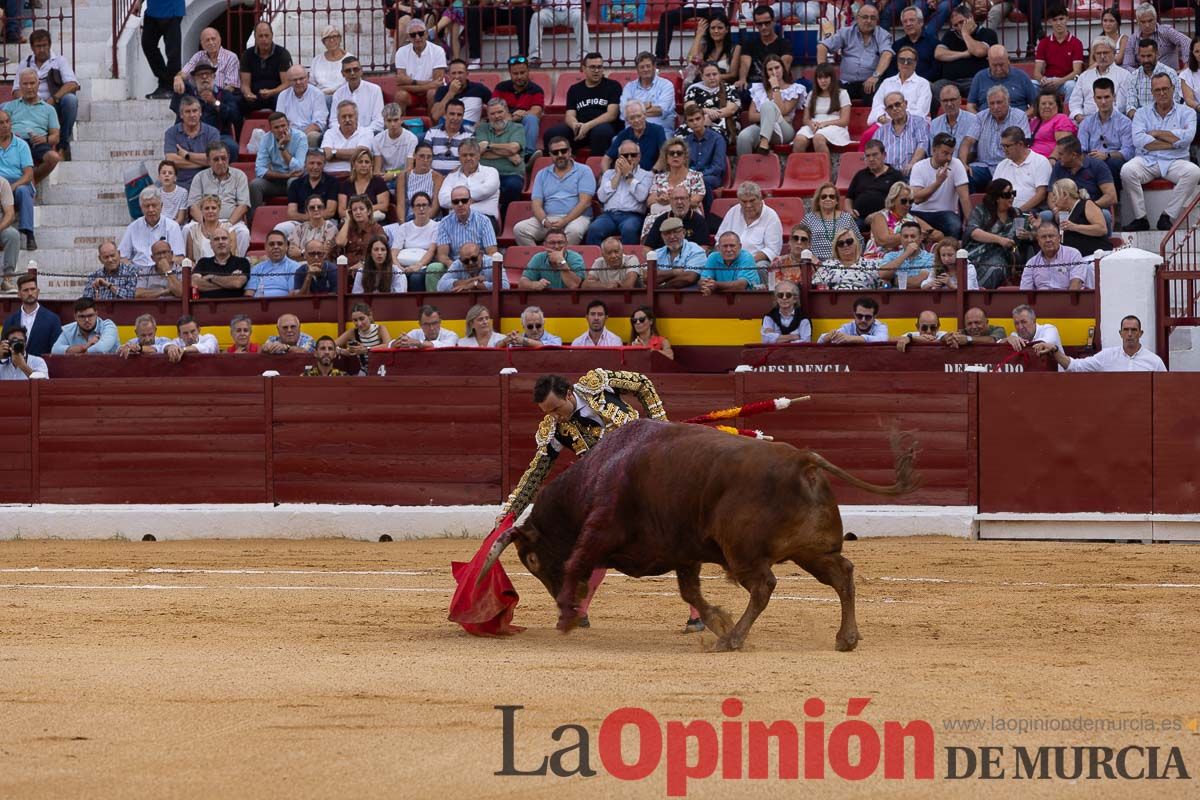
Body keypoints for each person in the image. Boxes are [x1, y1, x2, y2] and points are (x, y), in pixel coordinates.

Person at [499, 369, 702, 631]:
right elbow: (535, 473)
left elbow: (643, 384)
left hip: (653, 471)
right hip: (616, 489)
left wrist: (660, 427)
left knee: (678, 535)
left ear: (569, 394)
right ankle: (580, 611)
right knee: (597, 543)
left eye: (556, 408)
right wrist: (509, 513)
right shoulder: (557, 430)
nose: (555, 416)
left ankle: (697, 613)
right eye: (547, 413)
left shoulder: (598, 384)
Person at [1123, 72, 1200, 231]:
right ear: (1152, 92)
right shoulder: (1141, 113)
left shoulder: (1188, 112)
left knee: (1194, 172)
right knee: (1127, 170)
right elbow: (1139, 141)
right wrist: (1174, 142)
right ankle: (1140, 218)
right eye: (1157, 90)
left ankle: (1167, 215)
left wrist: (1156, 133)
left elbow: (1187, 138)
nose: (1162, 93)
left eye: (1165, 89)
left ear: (1173, 89)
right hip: (1148, 160)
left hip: (1175, 161)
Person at [515, 137, 595, 245]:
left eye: (564, 151)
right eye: (555, 152)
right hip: (549, 218)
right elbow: (536, 203)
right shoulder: (542, 174)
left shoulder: (584, 170)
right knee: (520, 229)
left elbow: (585, 203)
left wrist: (565, 220)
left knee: (574, 231)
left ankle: (562, 260)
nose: (560, 155)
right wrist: (544, 221)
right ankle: (541, 259)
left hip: (577, 218)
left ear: (570, 151)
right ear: (550, 155)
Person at [543, 53, 622, 155]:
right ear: (584, 69)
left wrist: (588, 126)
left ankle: (598, 168)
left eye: (599, 67)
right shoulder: (575, 89)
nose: (596, 71)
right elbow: (569, 115)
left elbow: (612, 114)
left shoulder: (613, 86)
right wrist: (575, 125)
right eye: (592, 67)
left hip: (602, 126)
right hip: (580, 129)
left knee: (601, 133)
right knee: (552, 134)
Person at [21, 30, 79, 162]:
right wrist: (29, 101)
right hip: (30, 105)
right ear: (32, 48)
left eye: (45, 45)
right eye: (38, 46)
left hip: (53, 105)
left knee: (71, 100)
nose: (42, 49)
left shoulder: (59, 61)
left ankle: (62, 146)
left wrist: (52, 99)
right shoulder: (25, 63)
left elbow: (72, 84)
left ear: (50, 45)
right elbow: (16, 90)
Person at [185, 142, 251, 256]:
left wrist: (228, 225)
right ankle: (192, 266)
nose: (221, 162)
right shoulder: (200, 177)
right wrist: (204, 224)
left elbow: (243, 205)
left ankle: (235, 265)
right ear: (208, 161)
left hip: (230, 221)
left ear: (229, 158)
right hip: (204, 220)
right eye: (216, 159)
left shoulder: (239, 176)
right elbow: (193, 206)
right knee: (187, 229)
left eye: (224, 158)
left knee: (243, 233)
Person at [816, 4, 892, 102]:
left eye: (873, 18)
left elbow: (887, 54)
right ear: (857, 18)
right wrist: (823, 71)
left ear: (877, 20)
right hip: (846, 83)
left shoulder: (883, 35)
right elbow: (822, 46)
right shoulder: (845, 32)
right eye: (865, 17)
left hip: (869, 82)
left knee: (874, 91)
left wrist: (875, 76)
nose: (868, 21)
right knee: (830, 90)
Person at [587, 140, 652, 245]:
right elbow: (602, 197)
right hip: (609, 215)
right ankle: (598, 260)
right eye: (625, 156)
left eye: (633, 155)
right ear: (619, 157)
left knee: (629, 229)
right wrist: (617, 175)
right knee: (594, 229)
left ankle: (629, 260)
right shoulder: (609, 174)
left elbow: (641, 196)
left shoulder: (646, 175)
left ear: (639, 157)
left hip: (633, 215)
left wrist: (628, 175)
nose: (629, 158)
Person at [738, 54, 805, 156]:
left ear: (783, 68)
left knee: (768, 105)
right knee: (743, 137)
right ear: (766, 72)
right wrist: (769, 115)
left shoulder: (794, 89)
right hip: (761, 127)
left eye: (777, 67)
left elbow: (783, 111)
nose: (774, 72)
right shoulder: (759, 89)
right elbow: (751, 116)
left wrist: (775, 88)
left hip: (784, 130)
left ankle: (764, 143)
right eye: (770, 69)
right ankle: (745, 170)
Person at [4, 68, 61, 185]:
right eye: (25, 84)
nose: (29, 87)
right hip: (15, 143)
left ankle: (29, 181)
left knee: (54, 157)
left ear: (38, 84)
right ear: (20, 86)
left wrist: (44, 139)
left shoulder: (49, 109)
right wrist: (10, 135)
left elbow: (56, 137)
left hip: (38, 143)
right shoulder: (9, 107)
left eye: (32, 83)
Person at [1047, 314, 1166, 371]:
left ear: (1140, 333)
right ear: (1120, 333)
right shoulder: (1107, 356)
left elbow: (1165, 390)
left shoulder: (1154, 361)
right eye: (1126, 330)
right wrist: (1055, 351)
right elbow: (1076, 366)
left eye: (1134, 330)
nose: (1129, 334)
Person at [969, 85, 1032, 191]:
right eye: (992, 103)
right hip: (984, 166)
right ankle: (972, 207)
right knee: (964, 175)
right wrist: (962, 164)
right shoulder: (981, 117)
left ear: (1008, 101)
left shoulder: (1019, 116)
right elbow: (967, 141)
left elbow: (1023, 145)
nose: (995, 107)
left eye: (999, 102)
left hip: (1009, 165)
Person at [1078, 78, 1134, 196]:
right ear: (1094, 99)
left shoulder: (1125, 122)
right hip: (1091, 161)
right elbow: (1081, 149)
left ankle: (1112, 202)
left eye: (1107, 97)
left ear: (1114, 97)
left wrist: (1106, 155)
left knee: (1113, 164)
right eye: (1099, 98)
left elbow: (1128, 152)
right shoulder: (1086, 123)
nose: (1103, 102)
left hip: (1112, 163)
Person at [910, 132, 972, 238]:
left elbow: (964, 198)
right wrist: (938, 182)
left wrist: (972, 224)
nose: (949, 158)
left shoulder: (957, 164)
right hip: (919, 212)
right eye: (945, 153)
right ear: (934, 150)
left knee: (955, 225)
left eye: (951, 154)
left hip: (945, 213)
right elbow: (917, 199)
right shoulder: (919, 167)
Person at [933, 4, 998, 104]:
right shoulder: (950, 35)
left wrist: (965, 33)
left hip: (974, 80)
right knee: (936, 87)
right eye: (955, 25)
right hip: (951, 82)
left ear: (970, 18)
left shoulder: (987, 33)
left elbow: (979, 51)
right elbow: (938, 53)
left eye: (961, 22)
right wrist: (963, 54)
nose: (959, 27)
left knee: (984, 88)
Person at [964, 177, 1023, 288]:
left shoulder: (1017, 213)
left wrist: (1032, 231)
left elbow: (1027, 234)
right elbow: (973, 231)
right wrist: (999, 240)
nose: (1011, 197)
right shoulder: (981, 211)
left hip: (1005, 256)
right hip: (979, 254)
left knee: (997, 268)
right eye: (1007, 195)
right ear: (996, 197)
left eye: (1013, 193)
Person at [642, 137, 704, 238]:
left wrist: (670, 201)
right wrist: (660, 198)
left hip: (685, 215)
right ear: (666, 158)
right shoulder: (659, 177)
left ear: (685, 157)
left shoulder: (696, 176)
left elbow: (695, 201)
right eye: (671, 153)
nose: (675, 156)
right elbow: (649, 201)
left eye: (679, 153)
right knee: (651, 220)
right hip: (660, 215)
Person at [716, 181, 781, 276]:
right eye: (744, 201)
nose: (748, 205)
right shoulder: (733, 212)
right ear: (739, 200)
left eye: (752, 201)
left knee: (761, 267)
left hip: (755, 262)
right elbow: (719, 240)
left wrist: (745, 262)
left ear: (760, 198)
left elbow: (772, 250)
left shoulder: (771, 217)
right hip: (728, 258)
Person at [864, 180, 937, 259]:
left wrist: (928, 235)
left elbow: (938, 235)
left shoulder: (913, 219)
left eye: (911, 201)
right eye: (904, 201)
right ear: (893, 200)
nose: (908, 205)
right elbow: (884, 241)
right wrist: (914, 235)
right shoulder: (880, 216)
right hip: (879, 259)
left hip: (906, 261)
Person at [1050, 135, 1117, 219]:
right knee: (1046, 215)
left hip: (1092, 211)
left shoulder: (1098, 166)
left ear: (1073, 155)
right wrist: (1055, 210)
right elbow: (1050, 194)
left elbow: (1111, 197)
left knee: (1105, 214)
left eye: (1061, 154)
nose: (1058, 157)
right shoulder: (1058, 166)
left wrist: (1085, 208)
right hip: (1065, 211)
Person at [250, 112, 308, 210]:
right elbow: (259, 170)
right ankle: (254, 221)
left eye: (283, 126)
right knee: (255, 185)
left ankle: (295, 216)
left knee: (292, 182)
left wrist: (282, 148)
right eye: (276, 127)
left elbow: (298, 168)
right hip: (276, 180)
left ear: (288, 125)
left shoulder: (300, 137)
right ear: (271, 130)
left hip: (295, 179)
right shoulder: (266, 139)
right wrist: (285, 175)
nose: (281, 130)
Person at [388, 190, 443, 291]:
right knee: (394, 275)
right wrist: (398, 267)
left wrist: (418, 265)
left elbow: (432, 250)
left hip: (423, 264)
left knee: (415, 278)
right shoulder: (404, 227)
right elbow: (394, 251)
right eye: (418, 205)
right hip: (402, 264)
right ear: (413, 208)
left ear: (430, 207)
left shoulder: (437, 226)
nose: (421, 209)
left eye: (424, 205)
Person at [119, 186, 185, 270]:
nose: (151, 209)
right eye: (147, 206)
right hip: (138, 273)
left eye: (154, 205)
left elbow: (179, 258)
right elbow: (122, 257)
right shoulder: (132, 227)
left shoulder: (172, 226)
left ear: (161, 206)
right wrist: (133, 270)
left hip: (162, 272)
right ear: (141, 208)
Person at [1069, 37, 1131, 124]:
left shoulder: (1124, 75)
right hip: (1085, 121)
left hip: (1113, 121)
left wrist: (1100, 119)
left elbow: (1121, 105)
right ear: (1094, 56)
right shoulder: (1084, 76)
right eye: (1098, 53)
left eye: (1105, 53)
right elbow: (1074, 101)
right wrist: (1078, 116)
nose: (1102, 56)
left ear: (1114, 53)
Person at [437, 138, 500, 223]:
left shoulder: (491, 172)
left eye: (471, 155)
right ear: (459, 157)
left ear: (478, 156)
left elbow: (485, 191)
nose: (468, 158)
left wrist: (457, 200)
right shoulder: (451, 177)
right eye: (464, 155)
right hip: (456, 220)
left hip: (485, 219)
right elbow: (443, 200)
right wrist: (474, 199)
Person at [993, 126, 1052, 215]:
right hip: (1004, 213)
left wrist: (1018, 211)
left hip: (1031, 212)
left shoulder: (1040, 162)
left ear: (1020, 144)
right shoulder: (1002, 165)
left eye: (1007, 146)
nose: (1004, 150)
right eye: (1002, 146)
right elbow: (994, 192)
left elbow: (1041, 194)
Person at [492, 56, 544, 157]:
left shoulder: (536, 90)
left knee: (531, 119)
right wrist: (512, 117)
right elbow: (493, 109)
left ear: (528, 71)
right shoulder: (500, 88)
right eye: (515, 74)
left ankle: (527, 155)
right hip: (504, 123)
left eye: (522, 73)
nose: (519, 77)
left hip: (523, 124)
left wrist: (516, 116)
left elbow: (536, 111)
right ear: (510, 73)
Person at [795, 64, 852, 154]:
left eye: (826, 77)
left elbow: (844, 121)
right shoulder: (812, 94)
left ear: (832, 78)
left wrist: (825, 124)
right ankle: (800, 167)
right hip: (815, 125)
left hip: (835, 126)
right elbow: (805, 119)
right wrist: (811, 124)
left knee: (818, 138)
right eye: (820, 78)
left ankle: (825, 167)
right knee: (799, 140)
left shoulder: (842, 93)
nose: (823, 81)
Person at [394, 18, 448, 113]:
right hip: (412, 94)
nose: (417, 37)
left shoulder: (438, 51)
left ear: (426, 34)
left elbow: (437, 83)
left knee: (432, 93)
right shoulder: (401, 52)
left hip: (431, 92)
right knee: (400, 96)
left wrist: (411, 82)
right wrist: (428, 84)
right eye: (413, 35)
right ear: (409, 37)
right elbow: (400, 85)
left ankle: (434, 127)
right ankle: (401, 127)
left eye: (421, 33)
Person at [436, 185, 500, 265]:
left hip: (479, 264)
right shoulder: (444, 223)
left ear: (470, 201)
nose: (460, 204)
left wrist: (477, 265)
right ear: (452, 204)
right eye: (456, 202)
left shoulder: (484, 221)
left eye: (464, 200)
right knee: (435, 267)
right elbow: (442, 255)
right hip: (455, 266)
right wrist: (454, 267)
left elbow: (492, 252)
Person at [870, 92, 930, 177]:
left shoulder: (919, 123)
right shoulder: (880, 132)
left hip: (914, 175)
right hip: (887, 177)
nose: (894, 109)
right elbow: (873, 154)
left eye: (897, 104)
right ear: (886, 111)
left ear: (905, 104)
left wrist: (912, 164)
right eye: (890, 107)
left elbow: (923, 144)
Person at [1020, 220, 1092, 290]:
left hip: (1068, 300)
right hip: (1042, 301)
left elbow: (1076, 284)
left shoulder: (1073, 254)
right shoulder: (1031, 263)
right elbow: (1025, 292)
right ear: (1038, 240)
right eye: (1043, 237)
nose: (1048, 240)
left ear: (1059, 238)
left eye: (1051, 236)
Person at [870, 46, 933, 126]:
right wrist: (882, 118)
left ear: (915, 63)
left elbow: (920, 111)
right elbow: (877, 104)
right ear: (897, 62)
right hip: (885, 123)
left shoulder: (923, 84)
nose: (905, 63)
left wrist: (898, 121)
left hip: (912, 125)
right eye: (902, 60)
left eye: (909, 61)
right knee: (868, 136)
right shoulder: (887, 82)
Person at [135, 0, 184, 99]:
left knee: (173, 51)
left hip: (172, 9)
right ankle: (164, 81)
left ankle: (171, 87)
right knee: (148, 44)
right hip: (152, 10)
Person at [240, 21, 293, 114]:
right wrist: (248, 93)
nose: (264, 39)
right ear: (255, 37)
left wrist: (272, 92)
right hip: (255, 95)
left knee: (282, 99)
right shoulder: (247, 55)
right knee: (238, 103)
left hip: (276, 94)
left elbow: (287, 83)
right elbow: (245, 84)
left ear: (272, 35)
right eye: (260, 36)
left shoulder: (282, 54)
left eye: (266, 35)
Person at [679, 103, 725, 209]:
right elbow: (684, 165)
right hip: (690, 177)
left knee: (702, 182)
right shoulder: (686, 141)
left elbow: (718, 167)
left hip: (712, 177)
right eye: (691, 120)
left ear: (704, 119)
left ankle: (709, 219)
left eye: (697, 119)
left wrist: (697, 176)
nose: (695, 123)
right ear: (687, 123)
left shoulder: (717, 139)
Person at [1047, 180, 1110, 257]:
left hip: (1094, 256)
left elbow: (1102, 229)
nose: (1053, 200)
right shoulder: (1060, 213)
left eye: (1054, 195)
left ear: (1065, 194)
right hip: (1072, 260)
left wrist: (1074, 227)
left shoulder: (1086, 204)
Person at [1122, 38, 1182, 120]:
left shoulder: (1170, 73)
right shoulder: (1133, 76)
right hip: (1141, 121)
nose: (1146, 60)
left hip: (1167, 118)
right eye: (1142, 56)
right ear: (1138, 56)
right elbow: (1130, 106)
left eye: (1149, 56)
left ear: (1157, 54)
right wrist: (1140, 120)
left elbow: (1176, 102)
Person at [1033, 5, 1083, 100]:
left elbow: (1077, 71)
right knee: (1031, 84)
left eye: (1061, 19)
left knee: (1071, 86)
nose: (1058, 23)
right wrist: (1042, 79)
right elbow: (1036, 72)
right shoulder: (1044, 43)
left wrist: (1060, 81)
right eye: (1055, 20)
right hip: (1048, 81)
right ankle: (1036, 113)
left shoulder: (1076, 43)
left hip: (1065, 82)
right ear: (1050, 22)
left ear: (1067, 19)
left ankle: (1068, 113)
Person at [967, 44, 1038, 112]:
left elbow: (1035, 105)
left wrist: (1022, 117)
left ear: (1008, 60)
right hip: (986, 122)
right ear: (988, 61)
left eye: (1001, 65)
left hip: (1016, 122)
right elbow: (970, 106)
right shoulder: (979, 77)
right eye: (994, 65)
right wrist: (979, 120)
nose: (998, 69)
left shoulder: (1022, 76)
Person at [3, 273, 60, 356]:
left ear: (38, 291)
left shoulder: (53, 320)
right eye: (26, 290)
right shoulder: (9, 321)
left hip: (43, 367)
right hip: (14, 367)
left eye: (33, 289)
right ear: (19, 294)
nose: (30, 293)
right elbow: (4, 349)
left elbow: (55, 351)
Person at [657, 1, 729, 67]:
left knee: (719, 21)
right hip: (690, 7)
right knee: (666, 17)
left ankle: (720, 57)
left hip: (714, 7)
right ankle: (661, 58)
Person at [739, 6, 794, 91]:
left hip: (776, 85)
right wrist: (742, 79)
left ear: (773, 22)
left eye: (767, 23)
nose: (763, 27)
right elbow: (744, 65)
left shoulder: (784, 44)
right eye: (759, 24)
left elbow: (784, 67)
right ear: (755, 24)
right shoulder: (749, 44)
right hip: (754, 86)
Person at [1121, 4, 1191, 71]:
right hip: (1144, 79)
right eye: (1143, 22)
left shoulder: (1166, 31)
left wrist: (1186, 67)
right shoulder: (1133, 39)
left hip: (1169, 77)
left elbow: (1186, 41)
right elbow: (1127, 66)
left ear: (1155, 18)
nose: (1147, 25)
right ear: (1137, 22)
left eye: (1150, 21)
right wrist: (1140, 75)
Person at [177, 27, 242, 99]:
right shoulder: (198, 56)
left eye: (213, 39)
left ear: (219, 40)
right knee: (179, 89)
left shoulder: (231, 57)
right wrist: (178, 78)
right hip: (200, 97)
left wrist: (215, 97)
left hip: (222, 97)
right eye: (207, 40)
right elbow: (184, 72)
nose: (211, 43)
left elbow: (231, 86)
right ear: (202, 43)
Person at [684, 62, 740, 145]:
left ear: (719, 75)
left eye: (714, 74)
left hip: (722, 124)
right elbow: (689, 108)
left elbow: (730, 110)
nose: (712, 77)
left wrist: (711, 117)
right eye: (708, 75)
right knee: (680, 138)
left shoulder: (730, 89)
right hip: (696, 123)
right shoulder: (694, 89)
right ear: (702, 76)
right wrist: (705, 113)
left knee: (711, 138)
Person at [328, 57, 384, 138]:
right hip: (344, 136)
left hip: (369, 135)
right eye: (348, 71)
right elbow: (333, 121)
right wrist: (344, 132)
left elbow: (379, 121)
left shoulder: (374, 90)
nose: (352, 73)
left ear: (361, 71)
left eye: (355, 69)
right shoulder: (338, 94)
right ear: (343, 74)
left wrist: (361, 133)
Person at [276, 65, 329, 151]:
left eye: (301, 78)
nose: (298, 82)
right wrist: (288, 134)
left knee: (313, 136)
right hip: (288, 133)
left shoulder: (317, 94)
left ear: (307, 77)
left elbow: (318, 124)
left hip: (308, 133)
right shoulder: (283, 95)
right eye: (294, 80)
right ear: (289, 81)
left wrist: (298, 137)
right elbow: (279, 120)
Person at [812, 227, 882, 290]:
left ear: (856, 243)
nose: (845, 245)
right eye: (840, 243)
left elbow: (881, 284)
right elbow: (816, 285)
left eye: (849, 241)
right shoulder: (826, 265)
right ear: (836, 248)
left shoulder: (870, 264)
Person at [603, 100, 665, 172]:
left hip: (651, 175)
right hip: (627, 176)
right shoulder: (623, 134)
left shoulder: (657, 130)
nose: (636, 120)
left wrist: (652, 173)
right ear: (627, 120)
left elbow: (663, 155)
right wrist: (606, 176)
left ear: (645, 115)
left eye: (639, 116)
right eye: (632, 118)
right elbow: (606, 158)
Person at [680, 13, 741, 85]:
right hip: (703, 86)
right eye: (713, 28)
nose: (716, 31)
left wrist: (710, 78)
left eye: (720, 28)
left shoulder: (735, 48)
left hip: (724, 87)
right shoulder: (704, 47)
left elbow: (733, 75)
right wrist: (699, 35)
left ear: (727, 30)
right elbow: (690, 61)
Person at [643, 184, 711, 248]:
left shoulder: (699, 221)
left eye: (682, 198)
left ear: (689, 201)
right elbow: (648, 247)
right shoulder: (661, 220)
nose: (679, 202)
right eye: (675, 199)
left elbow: (704, 248)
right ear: (670, 201)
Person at [807, 182, 862, 260]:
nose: (828, 199)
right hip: (816, 263)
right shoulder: (809, 218)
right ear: (818, 200)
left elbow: (859, 240)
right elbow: (802, 241)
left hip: (842, 262)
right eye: (824, 196)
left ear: (836, 201)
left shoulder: (846, 218)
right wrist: (811, 258)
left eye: (832, 196)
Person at [431, 58, 493, 127]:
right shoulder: (442, 90)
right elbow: (435, 116)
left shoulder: (479, 89)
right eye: (453, 73)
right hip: (445, 128)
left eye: (460, 73)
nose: (457, 76)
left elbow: (496, 105)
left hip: (469, 129)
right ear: (448, 75)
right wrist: (451, 92)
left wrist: (484, 121)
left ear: (467, 74)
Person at [320, 101, 375, 177]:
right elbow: (326, 155)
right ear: (338, 119)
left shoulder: (366, 132)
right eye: (344, 116)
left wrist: (334, 153)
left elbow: (360, 154)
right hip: (329, 176)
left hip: (354, 176)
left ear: (356, 117)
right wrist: (352, 155)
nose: (347, 119)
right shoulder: (330, 133)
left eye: (350, 116)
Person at [528, 0, 589, 67]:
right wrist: (536, 4)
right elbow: (536, 4)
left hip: (572, 9)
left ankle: (583, 57)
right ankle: (535, 57)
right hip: (550, 10)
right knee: (536, 17)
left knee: (580, 17)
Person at [193, 226, 250, 298]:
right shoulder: (203, 262)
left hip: (234, 306)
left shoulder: (242, 262)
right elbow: (195, 283)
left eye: (224, 238)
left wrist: (211, 277)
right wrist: (229, 283)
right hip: (206, 306)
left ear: (230, 243)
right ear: (211, 245)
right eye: (216, 239)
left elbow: (237, 283)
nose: (220, 242)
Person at [931, 84, 979, 167]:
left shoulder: (974, 120)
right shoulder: (934, 124)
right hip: (941, 166)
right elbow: (933, 152)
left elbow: (976, 152)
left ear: (960, 100)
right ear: (940, 102)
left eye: (952, 100)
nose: (949, 104)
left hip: (967, 164)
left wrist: (957, 165)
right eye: (945, 101)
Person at [338, 146, 391, 222]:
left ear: (371, 165)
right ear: (354, 164)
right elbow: (341, 211)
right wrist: (359, 213)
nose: (363, 165)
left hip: (373, 221)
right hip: (351, 222)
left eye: (367, 162)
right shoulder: (345, 184)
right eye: (360, 162)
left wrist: (361, 211)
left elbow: (384, 206)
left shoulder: (378, 182)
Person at [879, 219, 935, 289]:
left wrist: (893, 281)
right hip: (895, 297)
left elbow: (919, 281)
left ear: (921, 238)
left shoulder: (930, 258)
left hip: (921, 297)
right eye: (905, 236)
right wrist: (906, 254)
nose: (909, 240)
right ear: (901, 238)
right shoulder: (890, 256)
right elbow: (883, 274)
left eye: (913, 236)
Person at [335, 194, 386, 272]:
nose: (358, 212)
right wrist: (347, 220)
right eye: (354, 210)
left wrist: (363, 263)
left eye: (361, 209)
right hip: (345, 270)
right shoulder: (346, 227)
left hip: (367, 270)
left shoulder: (377, 229)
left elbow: (381, 253)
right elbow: (340, 242)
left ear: (368, 211)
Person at [51, 298, 119, 355]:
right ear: (75, 317)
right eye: (82, 316)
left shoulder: (108, 326)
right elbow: (55, 350)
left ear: (96, 314)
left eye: (90, 315)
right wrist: (85, 346)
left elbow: (101, 348)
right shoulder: (68, 330)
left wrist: (79, 353)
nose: (86, 320)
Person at [519, 230, 584, 289]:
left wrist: (561, 262)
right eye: (552, 243)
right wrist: (534, 284)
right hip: (545, 298)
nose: (556, 246)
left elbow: (574, 285)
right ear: (545, 245)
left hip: (570, 298)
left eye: (560, 242)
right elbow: (522, 283)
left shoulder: (575, 258)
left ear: (566, 244)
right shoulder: (538, 257)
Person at [245, 230, 301, 298]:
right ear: (266, 247)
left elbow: (292, 294)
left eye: (280, 244)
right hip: (258, 305)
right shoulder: (257, 268)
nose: (276, 247)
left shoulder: (294, 267)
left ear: (286, 247)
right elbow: (249, 292)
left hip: (283, 305)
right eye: (271, 244)